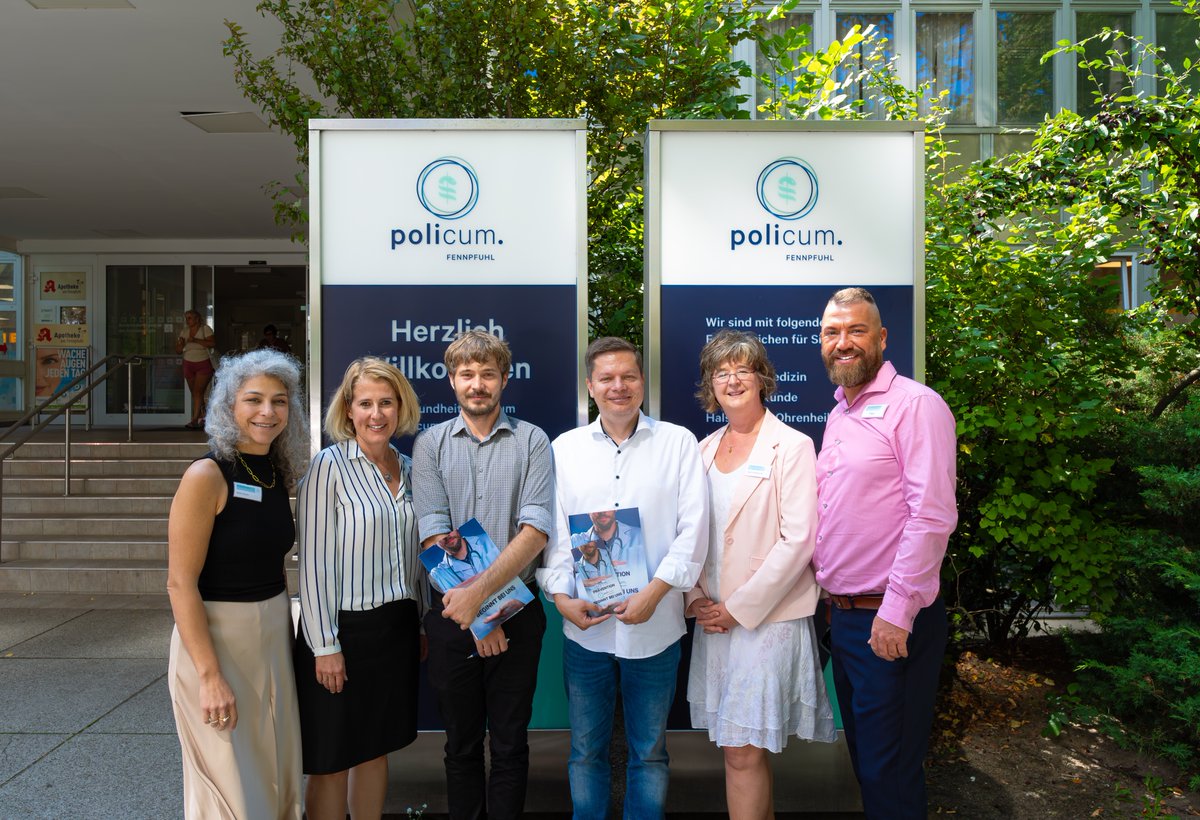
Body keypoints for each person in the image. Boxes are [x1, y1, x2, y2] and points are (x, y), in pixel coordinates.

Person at [539, 336, 708, 820]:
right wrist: (559, 596)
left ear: (642, 383)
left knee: (649, 754)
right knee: (585, 753)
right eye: (607, 378)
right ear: (590, 386)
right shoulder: (563, 450)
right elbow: (553, 536)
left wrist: (656, 593)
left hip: (656, 630)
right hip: (586, 631)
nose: (619, 386)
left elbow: (694, 530)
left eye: (628, 376)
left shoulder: (677, 443)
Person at [814, 287, 958, 819]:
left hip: (890, 621)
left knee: (890, 771)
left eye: (855, 330)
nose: (842, 342)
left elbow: (932, 516)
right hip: (847, 619)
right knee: (868, 764)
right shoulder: (841, 414)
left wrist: (896, 613)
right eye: (832, 332)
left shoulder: (915, 406)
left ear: (882, 338)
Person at [684, 329, 837, 819]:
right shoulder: (702, 449)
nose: (732, 379)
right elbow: (686, 531)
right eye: (721, 371)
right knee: (736, 749)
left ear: (761, 377)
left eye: (742, 369)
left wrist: (738, 609)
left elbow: (798, 541)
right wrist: (695, 599)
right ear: (710, 382)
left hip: (764, 620)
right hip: (713, 617)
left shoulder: (790, 446)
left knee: (742, 750)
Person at [412, 329, 553, 820]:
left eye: (487, 374)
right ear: (451, 380)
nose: (477, 384)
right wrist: (478, 618)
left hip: (518, 617)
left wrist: (488, 610)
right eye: (467, 374)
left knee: (512, 744)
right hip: (453, 619)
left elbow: (535, 533)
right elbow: (432, 537)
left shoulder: (533, 440)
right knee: (461, 746)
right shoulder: (430, 445)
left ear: (504, 380)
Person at [165, 349, 309, 819]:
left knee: (271, 765)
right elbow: (179, 584)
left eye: (279, 401)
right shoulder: (206, 475)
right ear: (229, 405)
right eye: (253, 400)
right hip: (217, 642)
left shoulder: (273, 470)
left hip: (271, 635)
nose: (267, 412)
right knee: (228, 784)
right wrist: (209, 677)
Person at [294, 356, 424, 820]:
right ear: (348, 409)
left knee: (375, 748)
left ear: (400, 406)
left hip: (396, 630)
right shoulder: (328, 467)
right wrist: (324, 646)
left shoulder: (410, 468)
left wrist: (422, 621)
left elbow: (417, 556)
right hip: (341, 633)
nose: (376, 414)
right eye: (365, 403)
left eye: (386, 403)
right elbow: (311, 564)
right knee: (331, 759)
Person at [176, 309, 216, 429]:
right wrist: (181, 345)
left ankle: (194, 420)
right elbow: (178, 351)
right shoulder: (184, 331)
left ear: (197, 318)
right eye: (186, 318)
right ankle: (204, 417)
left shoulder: (205, 329)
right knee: (195, 392)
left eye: (189, 318)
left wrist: (195, 340)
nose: (187, 320)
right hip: (188, 363)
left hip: (203, 363)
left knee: (198, 392)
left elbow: (213, 343)